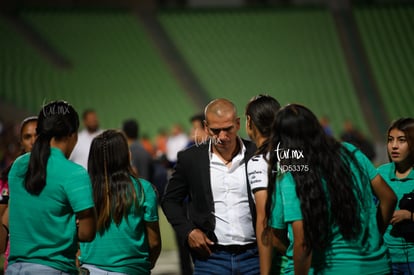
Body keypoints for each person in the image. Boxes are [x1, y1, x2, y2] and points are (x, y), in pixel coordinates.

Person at [266, 104, 397, 274]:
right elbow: (389, 198)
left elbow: (297, 241)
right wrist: (375, 234)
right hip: (378, 266)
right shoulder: (351, 152)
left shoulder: (291, 170)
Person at [162, 98, 259, 275]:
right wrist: (188, 231)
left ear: (238, 124)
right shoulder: (190, 159)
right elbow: (169, 201)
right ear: (206, 127)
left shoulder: (258, 154)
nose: (222, 136)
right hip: (210, 258)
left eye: (228, 129)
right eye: (215, 130)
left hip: (255, 257)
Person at [7, 100, 97, 275]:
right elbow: (87, 233)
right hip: (54, 268)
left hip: (15, 268)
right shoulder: (74, 174)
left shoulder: (18, 166)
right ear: (73, 135)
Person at [79, 130, 161, 274]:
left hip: (89, 269)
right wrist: (145, 266)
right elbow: (154, 242)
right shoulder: (143, 189)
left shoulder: (81, 190)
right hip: (132, 269)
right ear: (125, 156)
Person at [245, 95, 285, 275]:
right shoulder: (296, 153)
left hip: (287, 261)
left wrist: (264, 271)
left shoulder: (259, 161)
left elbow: (264, 219)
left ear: (249, 122)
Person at [0, 116, 38, 271]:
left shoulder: (60, 175)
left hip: (50, 260)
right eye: (27, 137)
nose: (33, 141)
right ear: (21, 142)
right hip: (17, 260)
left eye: (38, 135)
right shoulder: (9, 178)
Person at [377, 118, 414, 275]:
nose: (394, 146)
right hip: (384, 258)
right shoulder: (379, 174)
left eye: (402, 140)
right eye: (390, 140)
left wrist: (409, 215)